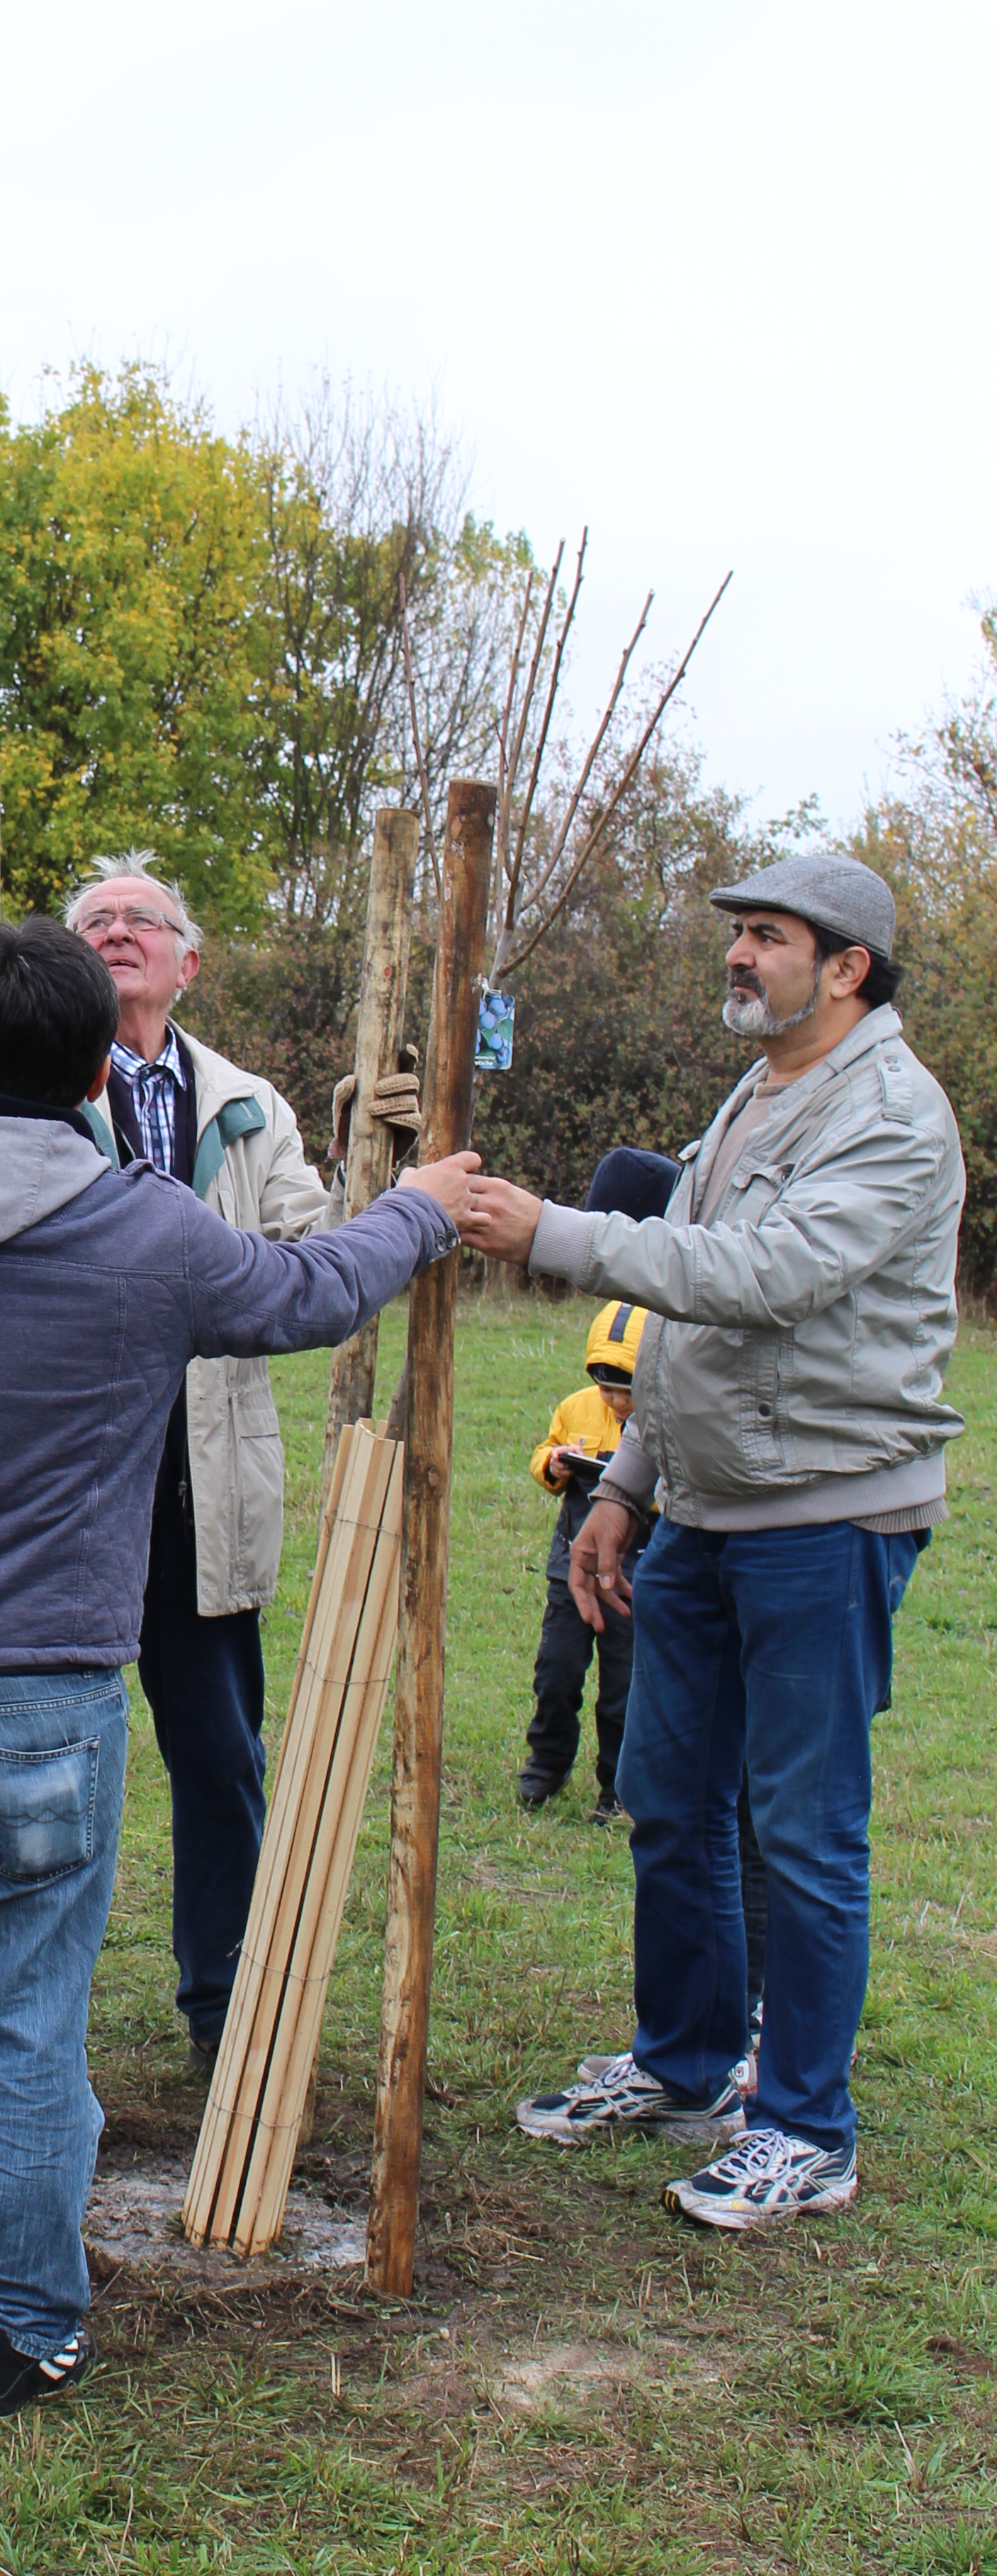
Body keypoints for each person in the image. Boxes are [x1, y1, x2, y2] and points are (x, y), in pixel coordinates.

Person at [0, 917, 479, 2415]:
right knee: (33, 2018)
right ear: (104, 1068)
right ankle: (13, 2331)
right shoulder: (146, 1229)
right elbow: (312, 1297)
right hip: (42, 1706)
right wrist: (423, 1209)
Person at [467, 853, 962, 2229]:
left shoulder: (891, 1115)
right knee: (672, 1800)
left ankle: (805, 2126)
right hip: (698, 1508)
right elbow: (684, 1328)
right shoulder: (759, 1090)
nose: (739, 957)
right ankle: (686, 2063)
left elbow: (764, 1279)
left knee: (802, 1830)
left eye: (767, 937)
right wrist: (623, 1486)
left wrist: (556, 1233)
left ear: (846, 966)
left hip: (827, 1510)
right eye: (739, 935)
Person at [0, 853, 420, 2086]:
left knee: (220, 1754)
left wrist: (381, 1166)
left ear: (189, 962)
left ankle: (224, 1999)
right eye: (97, 920)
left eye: (146, 920)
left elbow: (311, 1248)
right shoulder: (15, 1086)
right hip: (55, 1473)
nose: (121, 931)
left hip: (198, 1481)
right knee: (5, 1752)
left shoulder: (247, 1103)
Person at [517, 1299, 648, 1820]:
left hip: (633, 1571)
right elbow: (543, 1458)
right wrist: (553, 1465)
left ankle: (618, 1787)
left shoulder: (663, 1422)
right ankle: (547, 1764)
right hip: (569, 1563)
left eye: (627, 1389)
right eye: (605, 1387)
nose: (615, 1400)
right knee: (557, 1671)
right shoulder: (576, 1409)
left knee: (624, 1684)